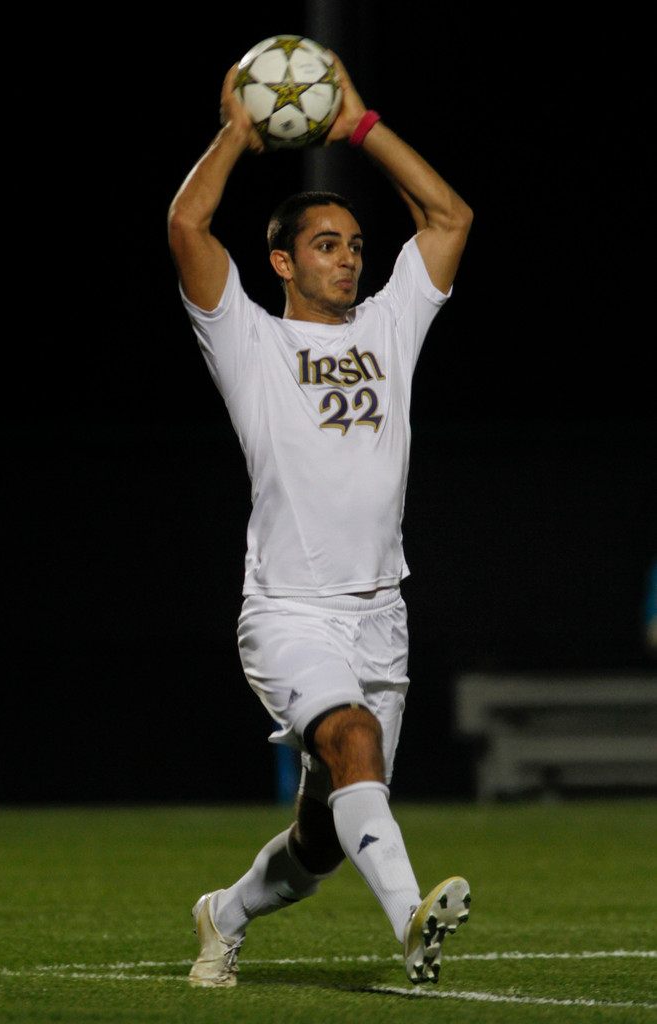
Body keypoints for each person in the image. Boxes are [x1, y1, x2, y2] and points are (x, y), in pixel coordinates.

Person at [168, 51, 473, 989]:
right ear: (282, 261)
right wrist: (238, 132)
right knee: (352, 740)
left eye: (351, 243)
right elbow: (186, 222)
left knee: (320, 836)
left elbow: (450, 216)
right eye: (327, 244)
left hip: (382, 612)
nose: (348, 257)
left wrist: (360, 126)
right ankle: (412, 919)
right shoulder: (250, 341)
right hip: (290, 613)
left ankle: (224, 913)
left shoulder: (389, 326)